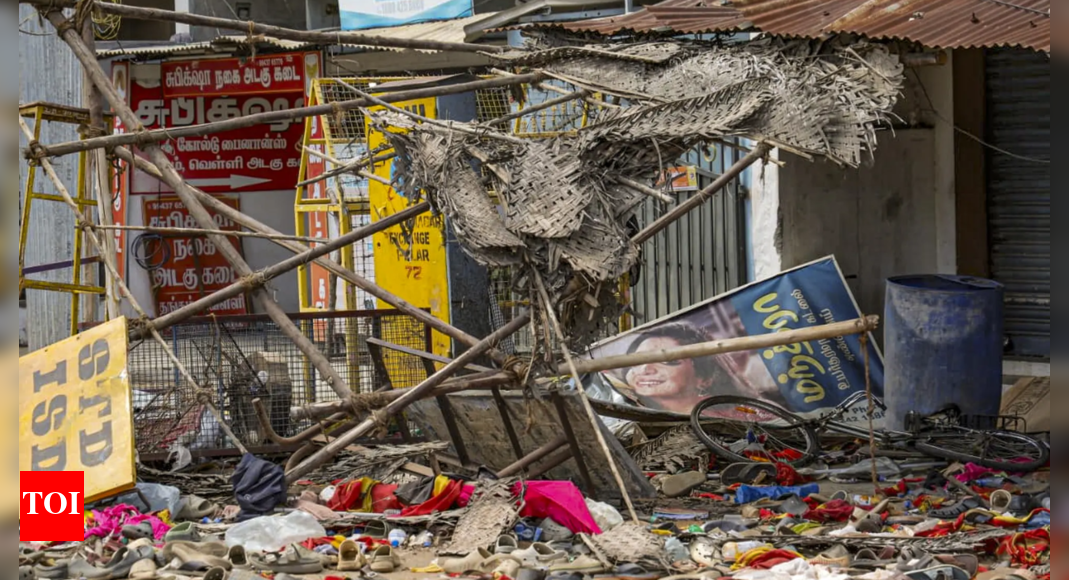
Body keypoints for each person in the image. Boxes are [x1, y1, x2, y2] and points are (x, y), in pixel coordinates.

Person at [617, 323, 727, 414]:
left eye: (668, 361)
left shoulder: (727, 421)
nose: (645, 368)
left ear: (704, 378)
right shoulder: (619, 411)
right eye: (638, 359)